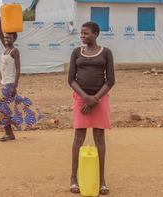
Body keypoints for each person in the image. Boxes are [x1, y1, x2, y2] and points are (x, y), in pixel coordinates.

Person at [67, 21, 114, 195]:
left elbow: (110, 80)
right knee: (79, 136)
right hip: (81, 99)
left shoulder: (106, 53)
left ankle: (102, 180)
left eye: (86, 33)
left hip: (100, 99)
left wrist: (96, 98)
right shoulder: (76, 52)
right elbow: (71, 79)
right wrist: (86, 98)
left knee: (99, 137)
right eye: (81, 33)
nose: (82, 36)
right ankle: (73, 178)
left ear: (96, 34)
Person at [0, 20, 42, 142]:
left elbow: (18, 68)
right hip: (4, 83)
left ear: (14, 39)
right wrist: (2, 17)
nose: (6, 39)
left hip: (9, 84)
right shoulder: (5, 49)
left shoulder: (14, 51)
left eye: (9, 37)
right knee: (4, 107)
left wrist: (14, 86)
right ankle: (10, 132)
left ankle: (10, 132)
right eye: (6, 37)